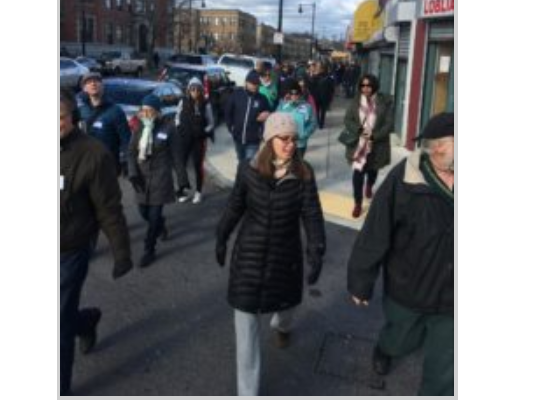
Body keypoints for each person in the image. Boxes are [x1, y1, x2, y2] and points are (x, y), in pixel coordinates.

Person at [216, 113, 326, 396]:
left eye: (294, 139)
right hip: (248, 261)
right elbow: (235, 206)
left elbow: (312, 215)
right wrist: (221, 236)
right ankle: (248, 395)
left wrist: (316, 249)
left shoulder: (304, 174)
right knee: (247, 338)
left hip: (284, 259)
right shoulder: (248, 170)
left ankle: (283, 325)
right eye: (284, 139)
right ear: (269, 140)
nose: (290, 145)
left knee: (285, 310)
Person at [348, 112, 454, 396]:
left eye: (447, 143)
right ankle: (386, 347)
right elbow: (376, 230)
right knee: (401, 339)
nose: (437, 149)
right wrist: (361, 279)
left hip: (453, 297)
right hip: (409, 287)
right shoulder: (405, 179)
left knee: (446, 372)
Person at [60, 89, 133, 396]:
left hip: (70, 248)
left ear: (72, 118)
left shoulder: (93, 154)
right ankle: (86, 320)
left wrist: (121, 252)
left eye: (59, 117)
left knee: (56, 326)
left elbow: (108, 208)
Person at [127, 94, 182, 268]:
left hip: (160, 177)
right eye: (143, 110)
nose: (146, 114)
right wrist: (132, 173)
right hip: (141, 178)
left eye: (150, 110)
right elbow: (130, 153)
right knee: (143, 212)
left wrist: (182, 180)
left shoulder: (169, 128)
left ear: (158, 112)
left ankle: (149, 250)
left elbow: (177, 156)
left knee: (153, 216)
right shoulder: (138, 128)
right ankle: (161, 225)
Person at [340, 74, 395, 218]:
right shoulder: (355, 101)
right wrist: (359, 130)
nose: (365, 88)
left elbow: (389, 124)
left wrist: (374, 136)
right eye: (363, 85)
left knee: (373, 170)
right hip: (359, 145)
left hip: (377, 145)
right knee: (357, 174)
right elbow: (348, 120)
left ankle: (369, 185)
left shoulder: (385, 101)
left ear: (374, 86)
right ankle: (357, 203)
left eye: (368, 85)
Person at [75, 72, 131, 176]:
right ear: (84, 88)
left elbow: (126, 139)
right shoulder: (80, 111)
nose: (93, 84)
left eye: (96, 81)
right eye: (88, 82)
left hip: (108, 166)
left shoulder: (116, 111)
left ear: (102, 86)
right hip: (85, 165)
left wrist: (125, 161)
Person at [175, 77, 215, 204]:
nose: (195, 92)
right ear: (188, 90)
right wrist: (179, 127)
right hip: (184, 138)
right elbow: (177, 117)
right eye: (192, 89)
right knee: (181, 163)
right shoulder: (183, 101)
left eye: (197, 89)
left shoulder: (206, 103)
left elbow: (211, 122)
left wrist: (204, 131)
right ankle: (183, 190)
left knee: (198, 166)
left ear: (201, 90)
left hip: (199, 140)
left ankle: (198, 192)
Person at [225, 70, 272, 165]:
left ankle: (246, 178)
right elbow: (227, 112)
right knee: (241, 161)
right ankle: (241, 179)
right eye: (253, 83)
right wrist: (231, 128)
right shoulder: (236, 94)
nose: (255, 86)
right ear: (246, 82)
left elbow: (269, 115)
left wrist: (268, 115)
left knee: (250, 164)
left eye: (257, 83)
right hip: (238, 138)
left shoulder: (262, 99)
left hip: (253, 140)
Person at [277, 80, 317, 159]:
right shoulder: (283, 105)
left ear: (300, 94)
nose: (294, 96)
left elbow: (313, 123)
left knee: (297, 165)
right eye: (292, 93)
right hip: (285, 143)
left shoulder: (307, 107)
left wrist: (304, 135)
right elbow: (276, 120)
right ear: (289, 94)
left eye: (296, 93)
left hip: (300, 144)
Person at [308, 62, 335, 130]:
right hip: (320, 97)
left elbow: (331, 88)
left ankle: (320, 123)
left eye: (319, 68)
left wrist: (330, 97)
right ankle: (320, 123)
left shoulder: (327, 77)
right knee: (319, 111)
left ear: (322, 69)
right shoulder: (317, 76)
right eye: (318, 68)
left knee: (321, 111)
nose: (317, 69)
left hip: (320, 97)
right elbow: (311, 86)